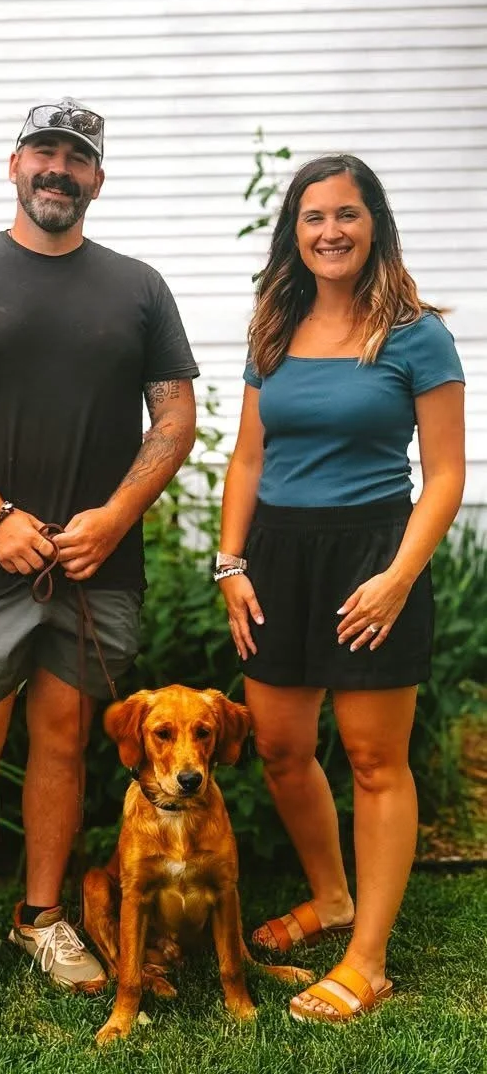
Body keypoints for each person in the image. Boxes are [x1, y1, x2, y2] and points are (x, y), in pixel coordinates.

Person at [0, 96, 198, 1023]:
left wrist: (113, 517)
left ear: (98, 179)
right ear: (15, 164)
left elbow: (174, 416)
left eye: (77, 157)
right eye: (44, 151)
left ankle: (41, 916)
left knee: (63, 740)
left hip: (95, 566)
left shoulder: (139, 287)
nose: (58, 168)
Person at [218, 154, 465, 1022]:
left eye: (347, 214)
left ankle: (369, 962)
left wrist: (399, 577)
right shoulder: (273, 327)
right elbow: (248, 458)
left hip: (373, 553)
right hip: (276, 559)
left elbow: (445, 474)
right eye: (314, 216)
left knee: (372, 759)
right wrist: (230, 564)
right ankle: (331, 899)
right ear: (295, 232)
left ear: (374, 225)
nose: (331, 231)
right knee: (282, 748)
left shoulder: (416, 335)